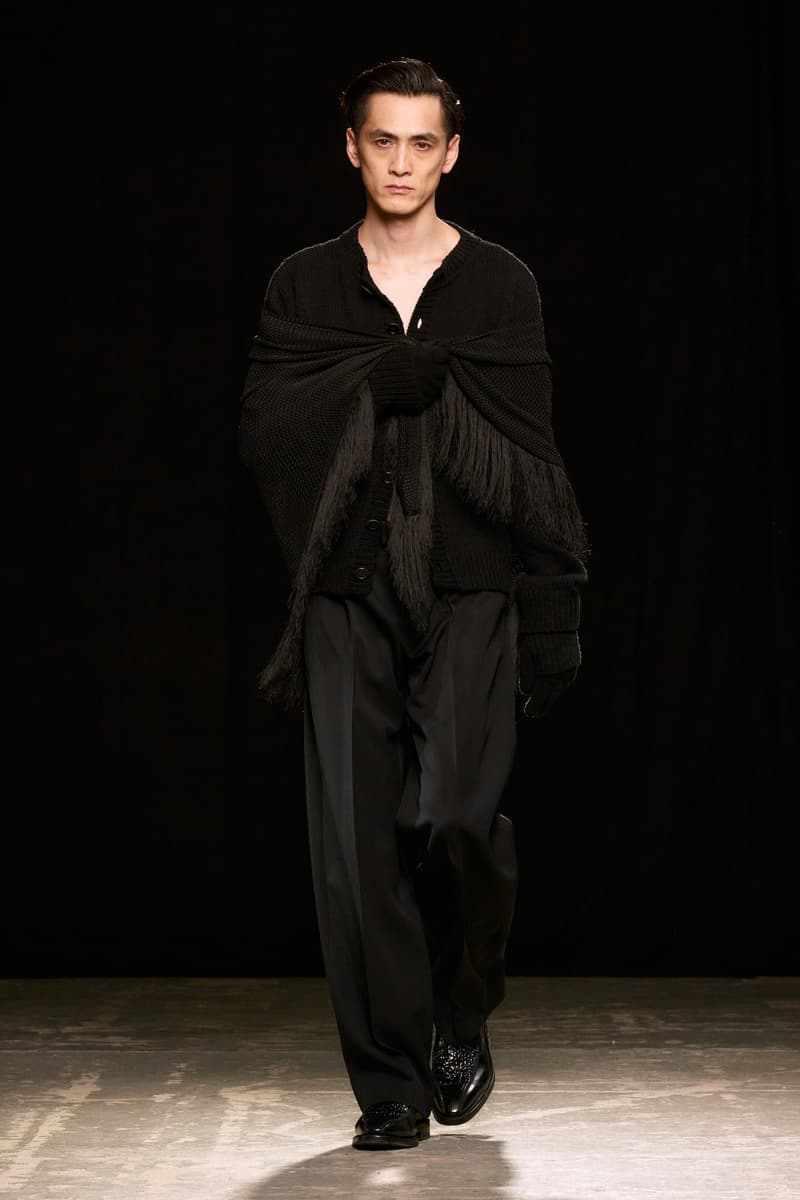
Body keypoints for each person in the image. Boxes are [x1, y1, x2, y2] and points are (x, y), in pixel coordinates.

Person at [237, 56, 590, 1151]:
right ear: (351, 147)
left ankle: (461, 1006)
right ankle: (389, 1082)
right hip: (345, 594)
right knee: (354, 847)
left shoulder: (499, 285)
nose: (400, 163)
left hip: (471, 590)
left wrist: (553, 610)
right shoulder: (304, 285)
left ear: (451, 153)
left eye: (420, 143)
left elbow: (531, 454)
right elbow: (265, 432)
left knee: (456, 820)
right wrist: (365, 387)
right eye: (381, 140)